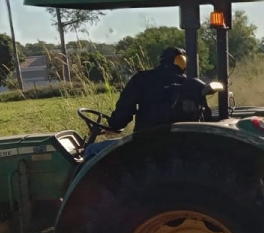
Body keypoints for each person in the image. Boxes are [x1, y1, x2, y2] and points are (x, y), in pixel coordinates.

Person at [82, 47, 210, 160]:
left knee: (91, 150)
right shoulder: (189, 85)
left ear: (162, 61)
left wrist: (113, 125)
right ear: (184, 64)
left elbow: (124, 110)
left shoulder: (142, 79)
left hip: (144, 143)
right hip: (174, 143)